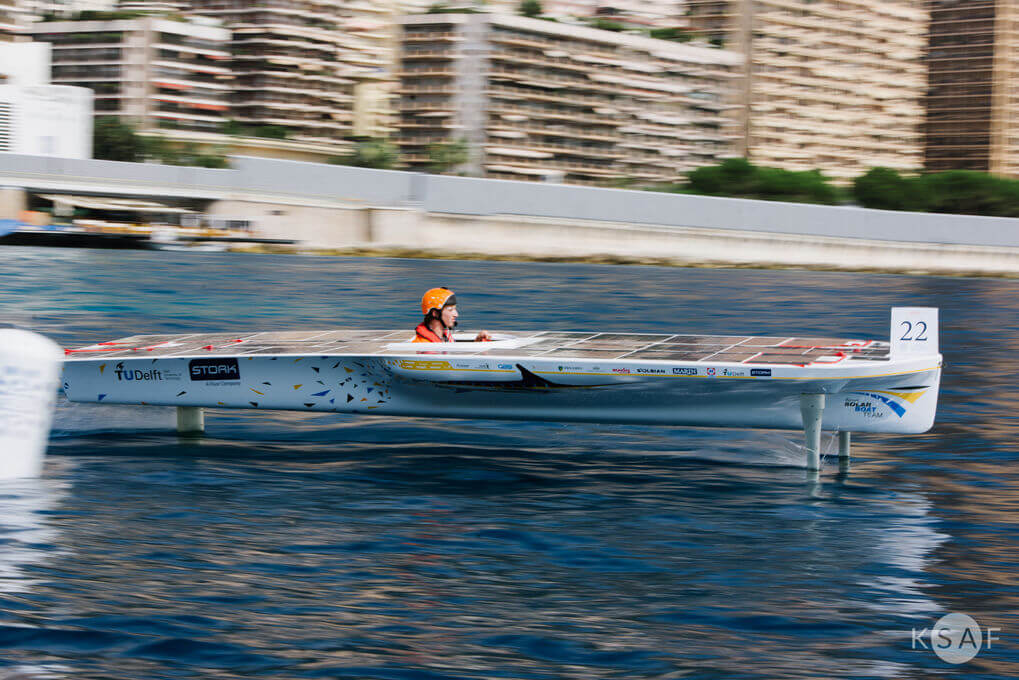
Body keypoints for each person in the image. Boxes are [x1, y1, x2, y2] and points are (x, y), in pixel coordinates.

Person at [414, 287, 491, 343]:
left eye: (455, 309)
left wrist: (477, 343)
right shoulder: (424, 346)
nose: (456, 314)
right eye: (450, 310)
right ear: (435, 313)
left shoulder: (444, 337)